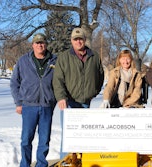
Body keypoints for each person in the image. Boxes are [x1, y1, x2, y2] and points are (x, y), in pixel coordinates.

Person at [53, 27, 104, 159]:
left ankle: (82, 161)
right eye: (75, 39)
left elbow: (100, 76)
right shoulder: (64, 57)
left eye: (80, 39)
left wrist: (93, 92)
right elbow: (57, 79)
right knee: (68, 136)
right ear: (71, 41)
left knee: (83, 135)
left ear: (84, 40)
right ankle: (66, 161)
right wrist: (61, 98)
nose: (78, 42)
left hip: (85, 102)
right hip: (68, 102)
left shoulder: (94, 56)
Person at [10, 33, 57, 167]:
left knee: (44, 139)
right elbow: (14, 82)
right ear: (33, 45)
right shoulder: (23, 61)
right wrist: (18, 103)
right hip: (28, 106)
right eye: (37, 43)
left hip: (47, 106)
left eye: (42, 42)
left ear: (46, 44)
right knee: (26, 139)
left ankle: (41, 164)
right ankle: (25, 164)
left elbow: (59, 82)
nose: (39, 45)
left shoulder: (54, 60)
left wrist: (54, 100)